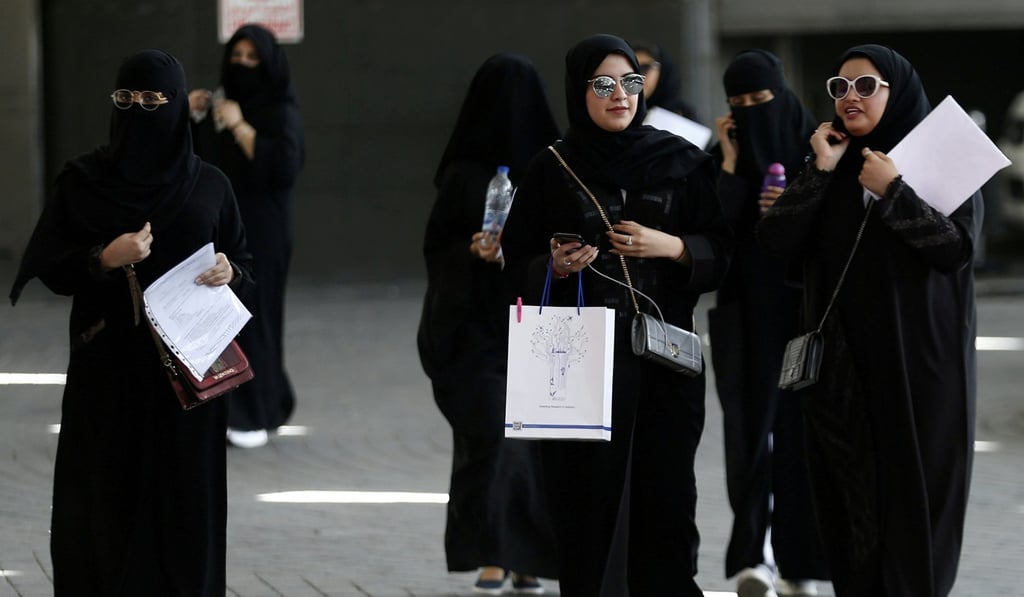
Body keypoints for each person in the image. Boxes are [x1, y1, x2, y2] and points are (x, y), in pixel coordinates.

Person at [9, 49, 253, 595]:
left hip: (188, 376)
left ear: (174, 104)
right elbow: (50, 266)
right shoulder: (84, 181)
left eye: (153, 100)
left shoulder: (210, 184)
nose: (138, 110)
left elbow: (245, 261)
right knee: (104, 503)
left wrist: (228, 269)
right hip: (109, 374)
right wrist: (103, 258)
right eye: (126, 99)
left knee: (184, 505)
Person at [500, 34, 733, 596]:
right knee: (586, 498)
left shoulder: (681, 160)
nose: (620, 95)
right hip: (581, 359)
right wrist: (553, 268)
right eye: (603, 85)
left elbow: (723, 252)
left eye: (630, 82)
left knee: (667, 495)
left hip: (665, 358)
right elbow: (516, 258)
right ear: (579, 91)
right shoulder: (551, 168)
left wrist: (672, 247)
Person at [756, 44, 979, 597]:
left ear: (896, 91)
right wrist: (819, 171)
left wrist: (893, 192)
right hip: (840, 371)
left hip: (918, 369)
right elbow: (774, 242)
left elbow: (954, 251)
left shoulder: (944, 156)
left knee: (915, 499)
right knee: (851, 502)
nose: (849, 98)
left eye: (865, 86)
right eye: (839, 87)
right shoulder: (829, 162)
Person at [416, 52, 560, 595]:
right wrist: (471, 253)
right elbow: (437, 250)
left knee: (532, 444)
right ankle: (493, 554)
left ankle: (524, 558)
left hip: (535, 329)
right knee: (492, 436)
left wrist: (516, 258)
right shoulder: (462, 177)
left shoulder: (552, 171)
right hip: (474, 331)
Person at [707, 50, 829, 597]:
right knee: (750, 434)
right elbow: (710, 230)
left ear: (783, 94)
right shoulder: (722, 155)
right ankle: (755, 554)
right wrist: (731, 163)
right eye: (739, 104)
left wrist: (798, 202)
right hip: (745, 318)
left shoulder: (820, 148)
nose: (752, 112)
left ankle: (802, 561)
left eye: (761, 100)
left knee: (804, 436)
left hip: (806, 316)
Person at [189, 23, 305, 448]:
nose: (242, 64)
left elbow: (282, 169)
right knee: (224, 320)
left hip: (265, 231)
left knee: (258, 318)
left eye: (252, 58)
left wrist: (239, 125)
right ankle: (231, 404)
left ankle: (258, 409)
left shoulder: (280, 111)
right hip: (225, 233)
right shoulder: (221, 105)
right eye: (236, 56)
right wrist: (192, 114)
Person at [630, 40, 700, 121]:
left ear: (663, 70)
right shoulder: (619, 113)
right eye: (632, 68)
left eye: (644, 68)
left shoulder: (685, 117)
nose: (637, 75)